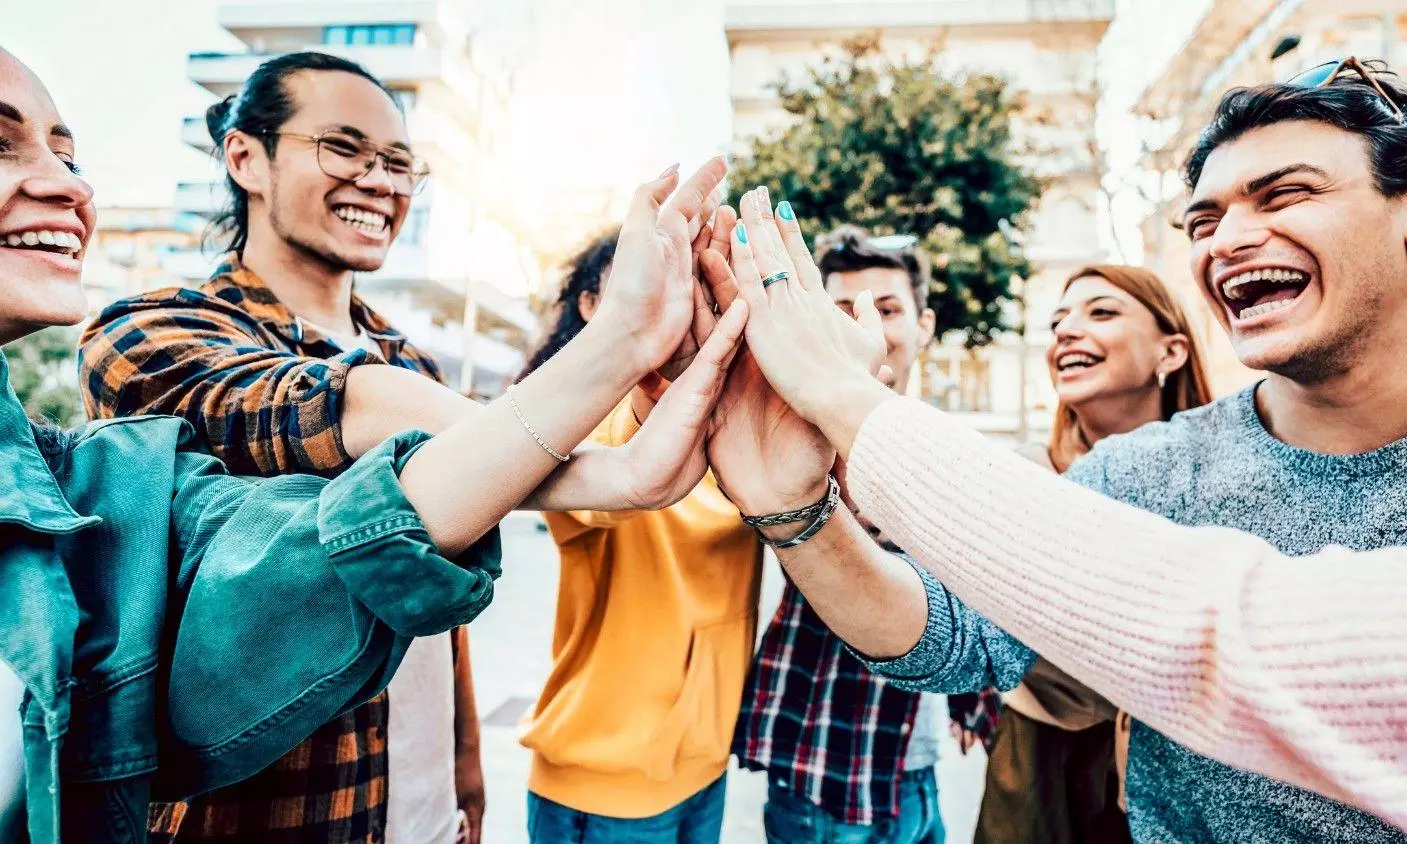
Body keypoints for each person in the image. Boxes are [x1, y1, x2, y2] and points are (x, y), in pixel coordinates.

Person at [0, 45, 746, 844]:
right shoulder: (146, 330)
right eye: (343, 148)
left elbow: (436, 571)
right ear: (244, 156)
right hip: (274, 816)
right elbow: (316, 408)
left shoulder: (413, 359)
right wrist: (614, 392)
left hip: (416, 806)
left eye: (397, 162)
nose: (379, 181)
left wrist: (464, 766)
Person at [704, 60, 1407, 840]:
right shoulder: (1139, 470)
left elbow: (1228, 631)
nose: (1230, 240)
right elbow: (956, 638)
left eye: (1286, 194)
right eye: (1203, 222)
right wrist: (795, 510)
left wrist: (842, 397)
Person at [516, 227, 763, 844]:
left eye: (696, 286)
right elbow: (601, 494)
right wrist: (649, 394)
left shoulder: (733, 426)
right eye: (656, 290)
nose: (684, 306)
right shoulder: (583, 420)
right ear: (595, 308)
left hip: (703, 768)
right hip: (599, 783)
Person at [960, 265, 1212, 844]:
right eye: (1057, 322)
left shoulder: (1220, 477)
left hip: (1187, 758)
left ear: (1170, 351)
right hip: (1038, 751)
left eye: (1101, 313)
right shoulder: (1019, 475)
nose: (1066, 333)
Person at [728, 220, 947, 844]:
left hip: (915, 763)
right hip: (825, 763)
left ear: (923, 326)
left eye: (887, 308)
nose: (866, 324)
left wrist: (973, 702)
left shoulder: (942, 442)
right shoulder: (795, 437)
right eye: (843, 307)